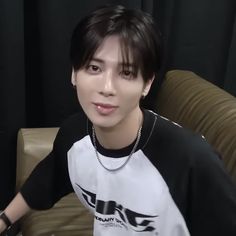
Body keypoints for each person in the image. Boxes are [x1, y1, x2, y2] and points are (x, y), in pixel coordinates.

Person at [0, 4, 236, 236]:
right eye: (94, 68)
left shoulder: (192, 160)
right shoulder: (74, 135)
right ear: (74, 73)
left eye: (126, 73)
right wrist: (4, 220)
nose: (107, 87)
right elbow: (45, 181)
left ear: (147, 83)